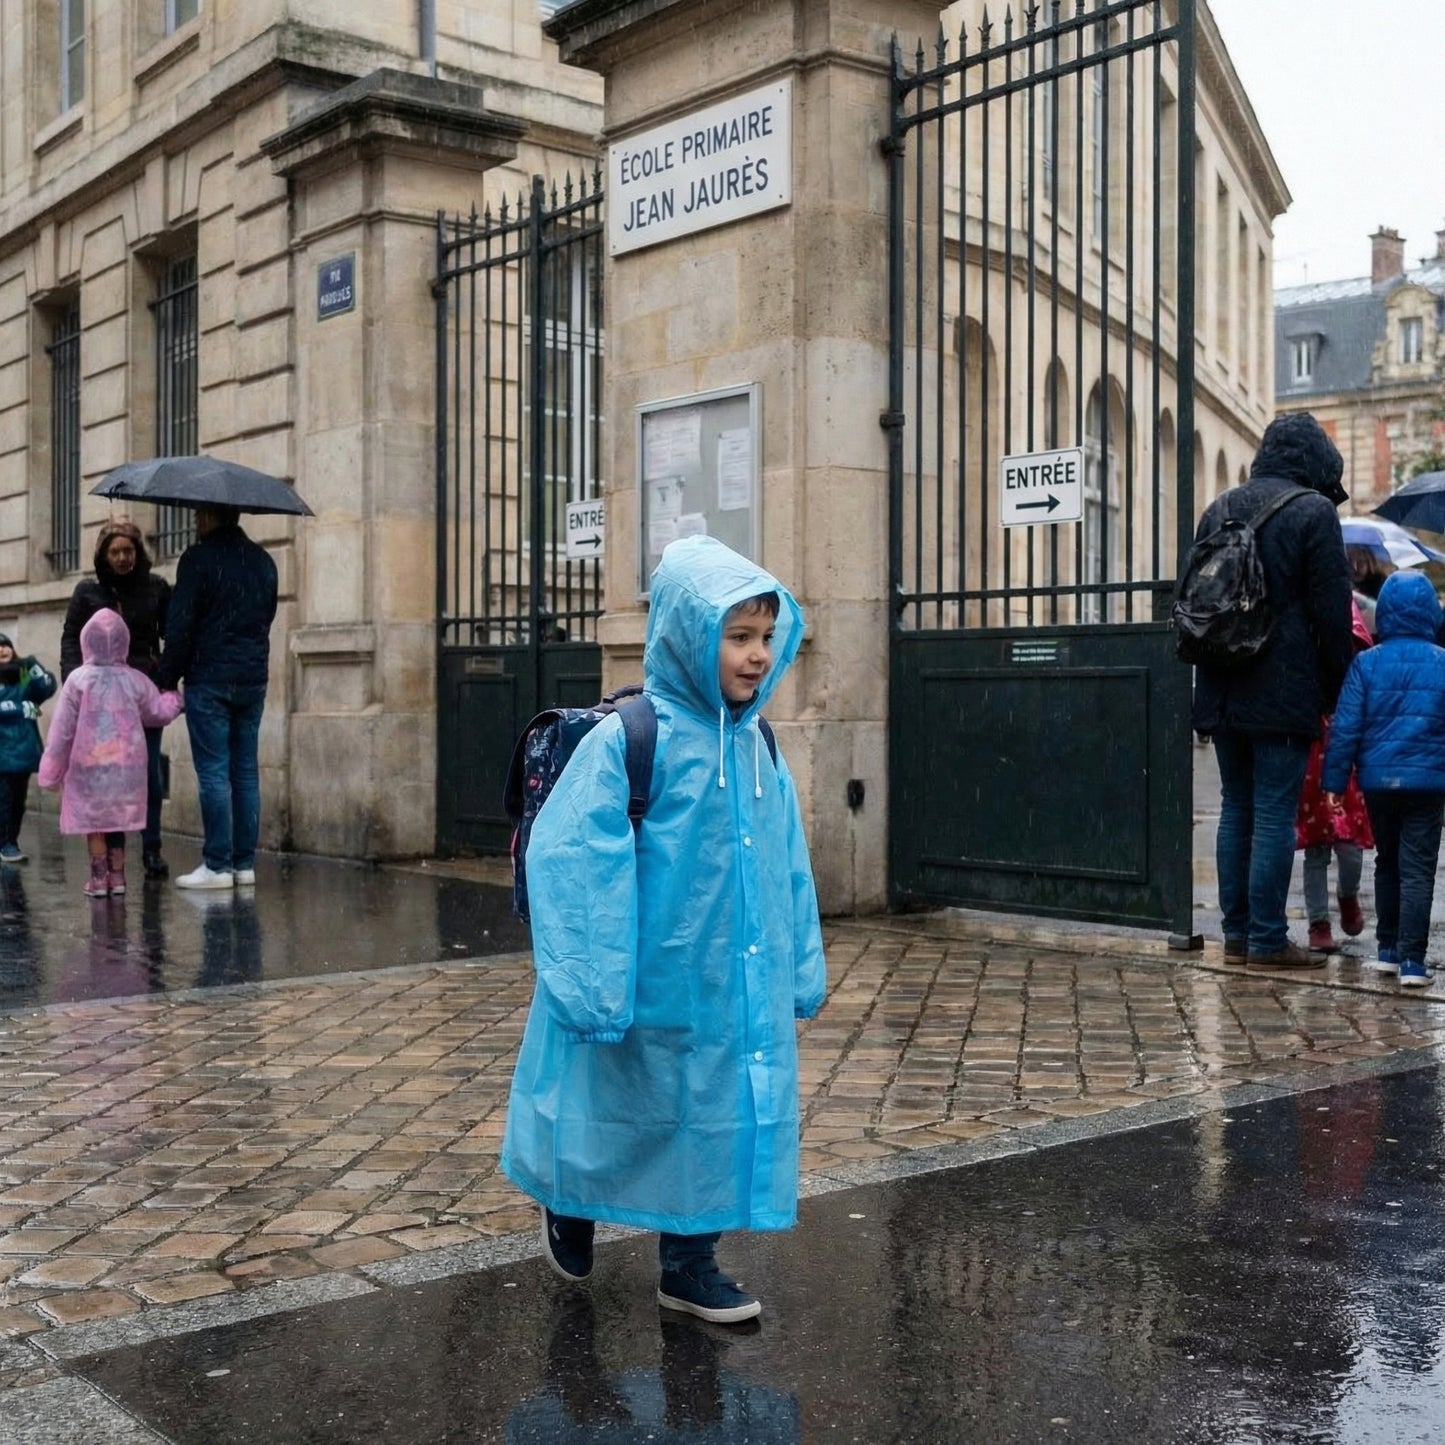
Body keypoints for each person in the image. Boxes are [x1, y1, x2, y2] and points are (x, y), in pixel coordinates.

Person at [501, 535, 827, 1325]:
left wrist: (798, 968)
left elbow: (788, 864)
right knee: (609, 1103)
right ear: (689, 633)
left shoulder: (758, 746)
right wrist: (593, 983)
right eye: (736, 636)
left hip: (726, 983)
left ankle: (689, 1263)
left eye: (763, 637)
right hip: (637, 976)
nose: (756, 656)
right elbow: (574, 862)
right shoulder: (629, 740)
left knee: (711, 1113)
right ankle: (569, 1197)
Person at [1191, 412, 1354, 969]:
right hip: (1281, 688)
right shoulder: (1313, 512)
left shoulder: (1220, 507)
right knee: (1273, 813)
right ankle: (1265, 939)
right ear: (1314, 460)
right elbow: (1333, 619)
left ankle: (1236, 935)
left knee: (1236, 806)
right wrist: (1334, 692)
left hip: (1221, 680)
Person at [1322, 568, 1445, 987]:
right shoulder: (1441, 663)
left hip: (1378, 782)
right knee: (1418, 871)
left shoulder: (1366, 664)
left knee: (1387, 863)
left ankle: (1388, 951)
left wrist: (1334, 783)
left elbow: (1346, 728)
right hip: (1428, 785)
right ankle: (1413, 962)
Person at [154, 504, 278, 891]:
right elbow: (267, 615)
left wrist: (166, 676)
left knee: (213, 773)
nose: (195, 521)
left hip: (210, 678)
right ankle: (243, 865)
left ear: (210, 517)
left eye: (198, 515)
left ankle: (218, 865)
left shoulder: (197, 559)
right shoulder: (264, 561)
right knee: (244, 772)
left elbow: (181, 624)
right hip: (252, 678)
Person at [37, 611, 184, 897]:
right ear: (123, 642)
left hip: (89, 765)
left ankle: (98, 879)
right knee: (118, 820)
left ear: (86, 641)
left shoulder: (78, 680)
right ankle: (118, 878)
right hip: (126, 767)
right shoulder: (134, 679)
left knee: (95, 825)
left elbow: (62, 730)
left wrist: (51, 769)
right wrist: (175, 698)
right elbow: (157, 712)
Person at [60, 518, 173, 878]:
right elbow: (70, 641)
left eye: (128, 550)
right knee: (104, 775)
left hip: (141, 693)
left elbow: (172, 634)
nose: (122, 558)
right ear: (103, 555)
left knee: (149, 774)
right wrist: (75, 688)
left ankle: (152, 847)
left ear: (138, 552)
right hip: (100, 704)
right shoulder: (88, 593)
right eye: (115, 552)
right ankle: (109, 852)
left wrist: (166, 680)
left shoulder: (155, 588)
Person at [1294, 598, 1374, 954]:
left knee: (1350, 845)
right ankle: (1318, 921)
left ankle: (1347, 894)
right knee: (1315, 847)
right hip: (1311, 750)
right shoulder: (1301, 618)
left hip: (1345, 757)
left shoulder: (1345, 619)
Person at [0, 633, 57, 863]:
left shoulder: (22, 673)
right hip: (3, 751)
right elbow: (24, 707)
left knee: (17, 801)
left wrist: (34, 666)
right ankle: (5, 844)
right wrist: (19, 708)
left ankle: (11, 841)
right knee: (3, 800)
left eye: (5, 645)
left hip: (23, 749)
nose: (2, 650)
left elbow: (43, 691)